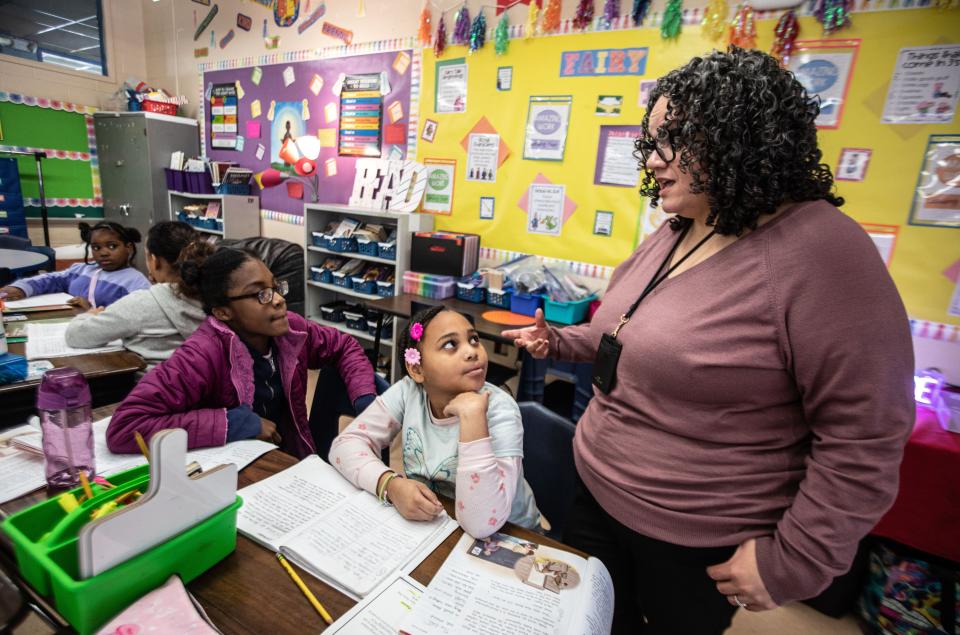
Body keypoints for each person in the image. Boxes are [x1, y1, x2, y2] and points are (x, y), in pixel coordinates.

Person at [503, 47, 914, 634]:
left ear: (736, 137)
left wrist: (794, 560)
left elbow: (864, 437)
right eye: (650, 142)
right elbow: (622, 331)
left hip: (694, 538)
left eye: (671, 140)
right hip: (596, 492)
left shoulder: (824, 253)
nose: (654, 160)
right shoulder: (682, 226)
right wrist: (562, 341)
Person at [106, 247, 377, 458]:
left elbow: (343, 346)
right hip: (233, 472)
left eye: (275, 288)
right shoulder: (201, 354)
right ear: (223, 312)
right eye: (260, 294)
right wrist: (234, 423)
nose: (279, 300)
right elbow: (125, 427)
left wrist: (365, 397)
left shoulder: (291, 330)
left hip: (289, 459)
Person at [330, 306, 541, 538]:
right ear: (417, 368)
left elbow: (481, 524)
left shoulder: (500, 409)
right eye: (450, 344)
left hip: (510, 532)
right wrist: (390, 484)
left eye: (474, 339)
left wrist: (472, 417)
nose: (472, 351)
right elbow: (345, 445)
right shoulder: (408, 391)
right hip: (440, 521)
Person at [64, 222, 209, 370]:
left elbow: (75, 336)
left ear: (154, 260)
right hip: (203, 385)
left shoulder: (141, 303)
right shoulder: (215, 292)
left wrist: (88, 314)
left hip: (151, 388)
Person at [0, 221, 149, 309]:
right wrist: (21, 288)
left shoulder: (135, 281)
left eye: (112, 246)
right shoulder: (82, 269)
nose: (103, 253)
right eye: (96, 248)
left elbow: (138, 318)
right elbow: (53, 279)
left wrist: (92, 309)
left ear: (128, 247)